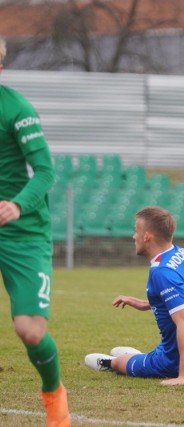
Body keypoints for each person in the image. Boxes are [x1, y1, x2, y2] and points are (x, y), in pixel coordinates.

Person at [0, 39, 70, 426]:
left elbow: (46, 172)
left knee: (29, 331)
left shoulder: (18, 110)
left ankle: (54, 393)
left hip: (23, 231)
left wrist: (16, 205)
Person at [84, 207, 184, 385]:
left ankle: (115, 362)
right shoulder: (182, 253)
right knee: (151, 353)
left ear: (147, 236)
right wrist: (141, 303)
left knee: (120, 363)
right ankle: (138, 358)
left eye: (136, 231)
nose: (134, 236)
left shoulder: (162, 272)